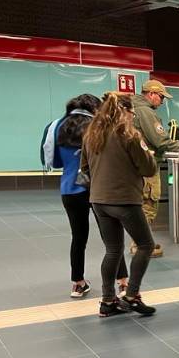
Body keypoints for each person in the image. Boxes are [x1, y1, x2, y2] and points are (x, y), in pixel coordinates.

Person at [42, 94, 130, 298]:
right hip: (99, 188)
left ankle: (78, 284)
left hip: (70, 189)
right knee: (112, 238)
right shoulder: (100, 126)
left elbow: (55, 162)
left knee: (78, 237)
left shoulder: (57, 126)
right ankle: (123, 283)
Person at [81, 93, 158, 318]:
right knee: (146, 245)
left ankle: (107, 301)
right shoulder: (129, 135)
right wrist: (148, 154)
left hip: (99, 201)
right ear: (124, 111)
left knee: (113, 250)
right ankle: (132, 296)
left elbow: (84, 168)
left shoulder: (91, 135)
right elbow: (149, 169)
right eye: (132, 113)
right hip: (125, 200)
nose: (133, 117)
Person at [131, 79, 179, 257]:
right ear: (151, 94)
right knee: (148, 203)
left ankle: (140, 242)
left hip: (135, 165)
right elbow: (161, 141)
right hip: (147, 165)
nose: (162, 101)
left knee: (140, 203)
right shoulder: (146, 112)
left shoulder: (133, 108)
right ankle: (141, 246)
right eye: (161, 97)